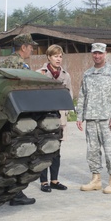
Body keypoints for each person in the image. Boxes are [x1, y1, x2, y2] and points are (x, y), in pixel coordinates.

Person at [75, 43, 111, 194]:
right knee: (92, 150)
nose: (97, 56)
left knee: (110, 151)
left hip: (107, 119)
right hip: (91, 118)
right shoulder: (87, 74)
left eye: (100, 53)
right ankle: (95, 179)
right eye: (95, 53)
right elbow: (82, 95)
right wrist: (79, 115)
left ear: (105, 53)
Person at [0, 33, 37, 206]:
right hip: (19, 117)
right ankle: (15, 193)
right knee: (18, 154)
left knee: (7, 153)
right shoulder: (20, 66)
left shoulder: (3, 63)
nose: (31, 50)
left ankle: (5, 190)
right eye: (30, 47)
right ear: (23, 47)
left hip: (4, 114)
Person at [36, 44, 73, 192]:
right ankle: (44, 182)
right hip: (43, 117)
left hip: (59, 117)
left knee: (56, 150)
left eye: (60, 56)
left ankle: (54, 180)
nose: (58, 59)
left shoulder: (66, 75)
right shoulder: (40, 73)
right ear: (49, 57)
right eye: (55, 56)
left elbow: (69, 95)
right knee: (43, 150)